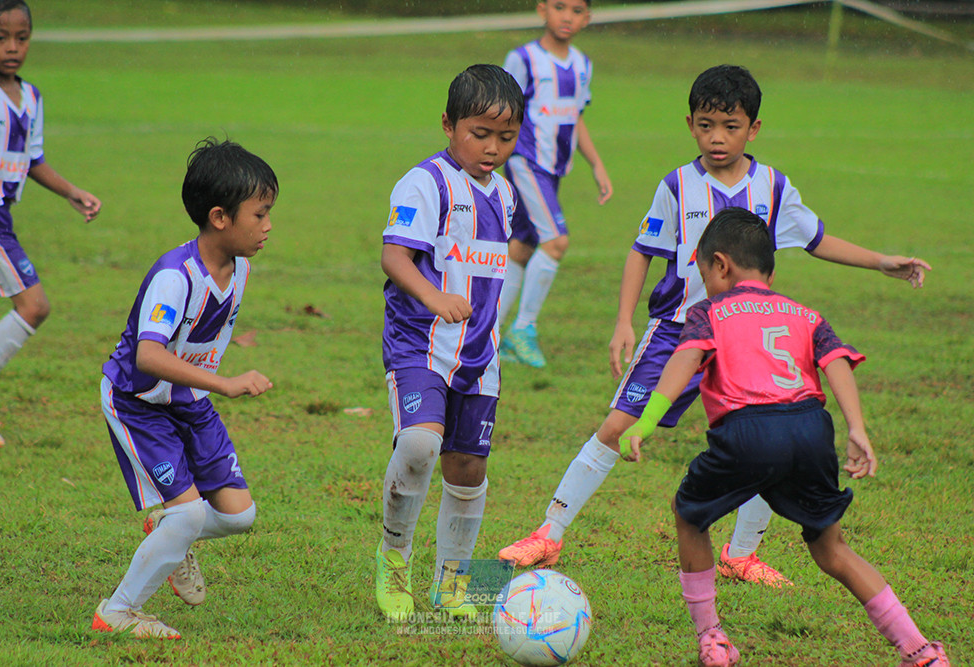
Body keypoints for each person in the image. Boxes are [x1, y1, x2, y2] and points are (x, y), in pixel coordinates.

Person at [499, 64, 930, 587]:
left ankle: (740, 554)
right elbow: (642, 251)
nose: (717, 137)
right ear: (690, 125)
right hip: (677, 331)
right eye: (706, 126)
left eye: (730, 126)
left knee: (766, 438)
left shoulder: (773, 186)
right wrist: (623, 322)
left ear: (754, 128)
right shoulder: (677, 186)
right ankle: (549, 532)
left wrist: (881, 261)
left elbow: (817, 239)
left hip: (746, 339)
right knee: (616, 426)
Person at [620, 207, 950, 667]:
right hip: (811, 428)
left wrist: (645, 421)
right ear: (769, 271)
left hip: (748, 430)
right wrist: (856, 428)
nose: (705, 282)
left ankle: (713, 639)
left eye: (704, 272)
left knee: (688, 515)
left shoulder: (708, 311)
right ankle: (920, 650)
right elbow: (836, 362)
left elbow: (685, 360)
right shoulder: (805, 314)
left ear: (720, 265)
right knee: (831, 548)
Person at [92, 138, 277, 639]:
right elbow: (148, 356)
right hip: (137, 403)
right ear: (220, 217)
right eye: (259, 215)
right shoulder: (175, 277)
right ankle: (117, 612)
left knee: (239, 517)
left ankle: (168, 531)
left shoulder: (240, 268)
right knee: (190, 513)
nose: (268, 226)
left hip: (189, 403)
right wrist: (226, 383)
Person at [375, 64, 523, 622]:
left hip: (479, 355)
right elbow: (394, 257)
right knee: (418, 446)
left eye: (505, 137)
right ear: (448, 125)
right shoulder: (425, 183)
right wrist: (435, 297)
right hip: (419, 343)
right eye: (479, 134)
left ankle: (454, 584)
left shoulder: (505, 194)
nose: (492, 148)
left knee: (468, 469)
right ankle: (393, 563)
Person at [0, 0, 101, 448]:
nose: (12, 47)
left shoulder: (31, 98)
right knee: (34, 306)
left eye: (22, 38)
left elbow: (32, 159)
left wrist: (70, 191)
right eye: (0, 37)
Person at [496, 0, 612, 368]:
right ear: (542, 9)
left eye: (577, 10)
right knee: (556, 242)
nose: (567, 17)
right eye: (560, 7)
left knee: (521, 247)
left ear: (587, 18)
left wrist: (596, 165)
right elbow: (500, 110)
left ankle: (488, 335)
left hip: (554, 168)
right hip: (526, 161)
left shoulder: (582, 64)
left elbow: (575, 118)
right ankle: (522, 330)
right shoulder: (523, 59)